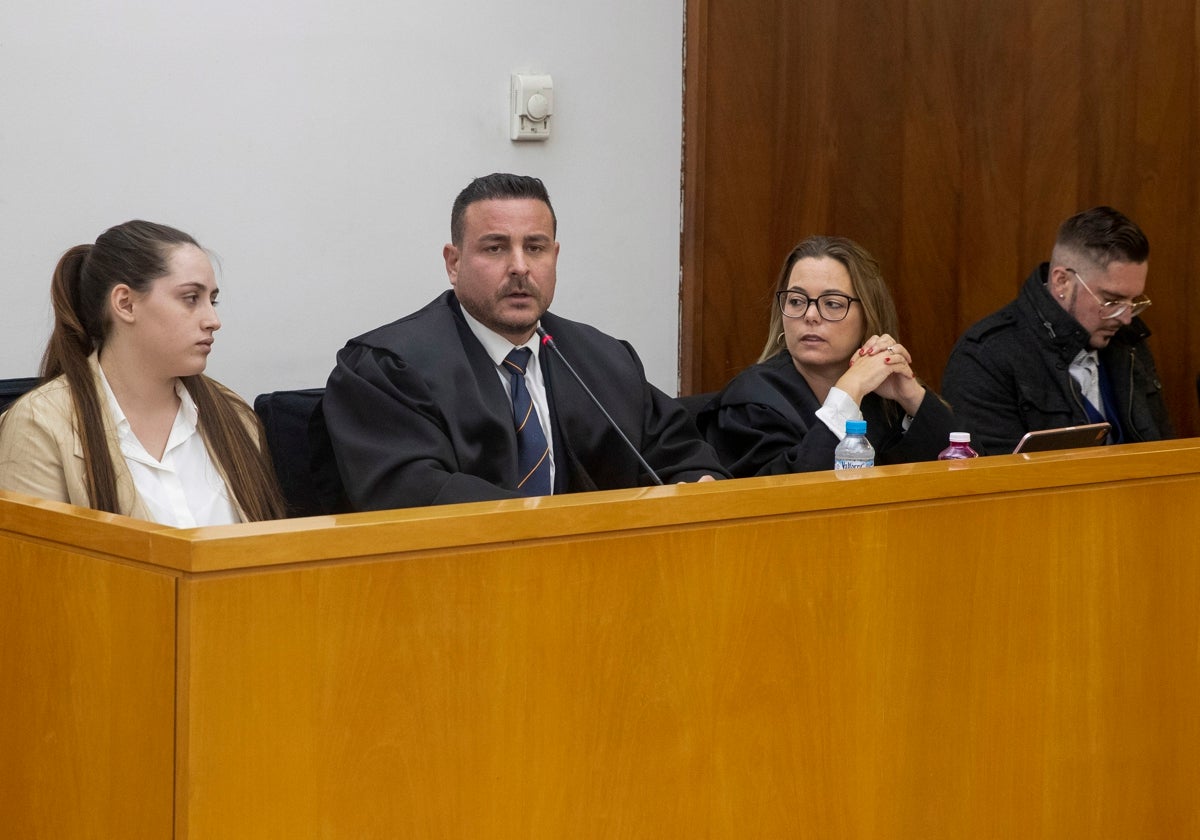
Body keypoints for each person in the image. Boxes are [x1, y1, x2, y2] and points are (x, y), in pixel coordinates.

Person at [319, 172, 728, 510]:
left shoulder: (602, 360)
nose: (520, 267)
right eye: (495, 248)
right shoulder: (385, 369)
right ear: (453, 262)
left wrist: (696, 483)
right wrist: (551, 526)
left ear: (555, 256)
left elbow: (682, 456)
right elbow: (411, 498)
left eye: (535, 248)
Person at [0, 220, 285, 524]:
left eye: (212, 301)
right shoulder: (40, 425)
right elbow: (36, 568)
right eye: (191, 298)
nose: (213, 320)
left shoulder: (234, 416)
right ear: (125, 304)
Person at [699, 235, 956, 475]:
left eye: (832, 304)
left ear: (868, 316)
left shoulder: (883, 397)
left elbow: (968, 472)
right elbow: (792, 500)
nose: (810, 315)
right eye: (797, 301)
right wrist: (848, 391)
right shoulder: (749, 405)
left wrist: (911, 397)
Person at [941, 206, 1172, 455]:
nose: (1126, 318)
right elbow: (994, 480)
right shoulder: (984, 358)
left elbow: (1164, 449)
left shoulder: (1130, 344)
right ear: (1062, 281)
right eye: (1112, 301)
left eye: (1134, 302)